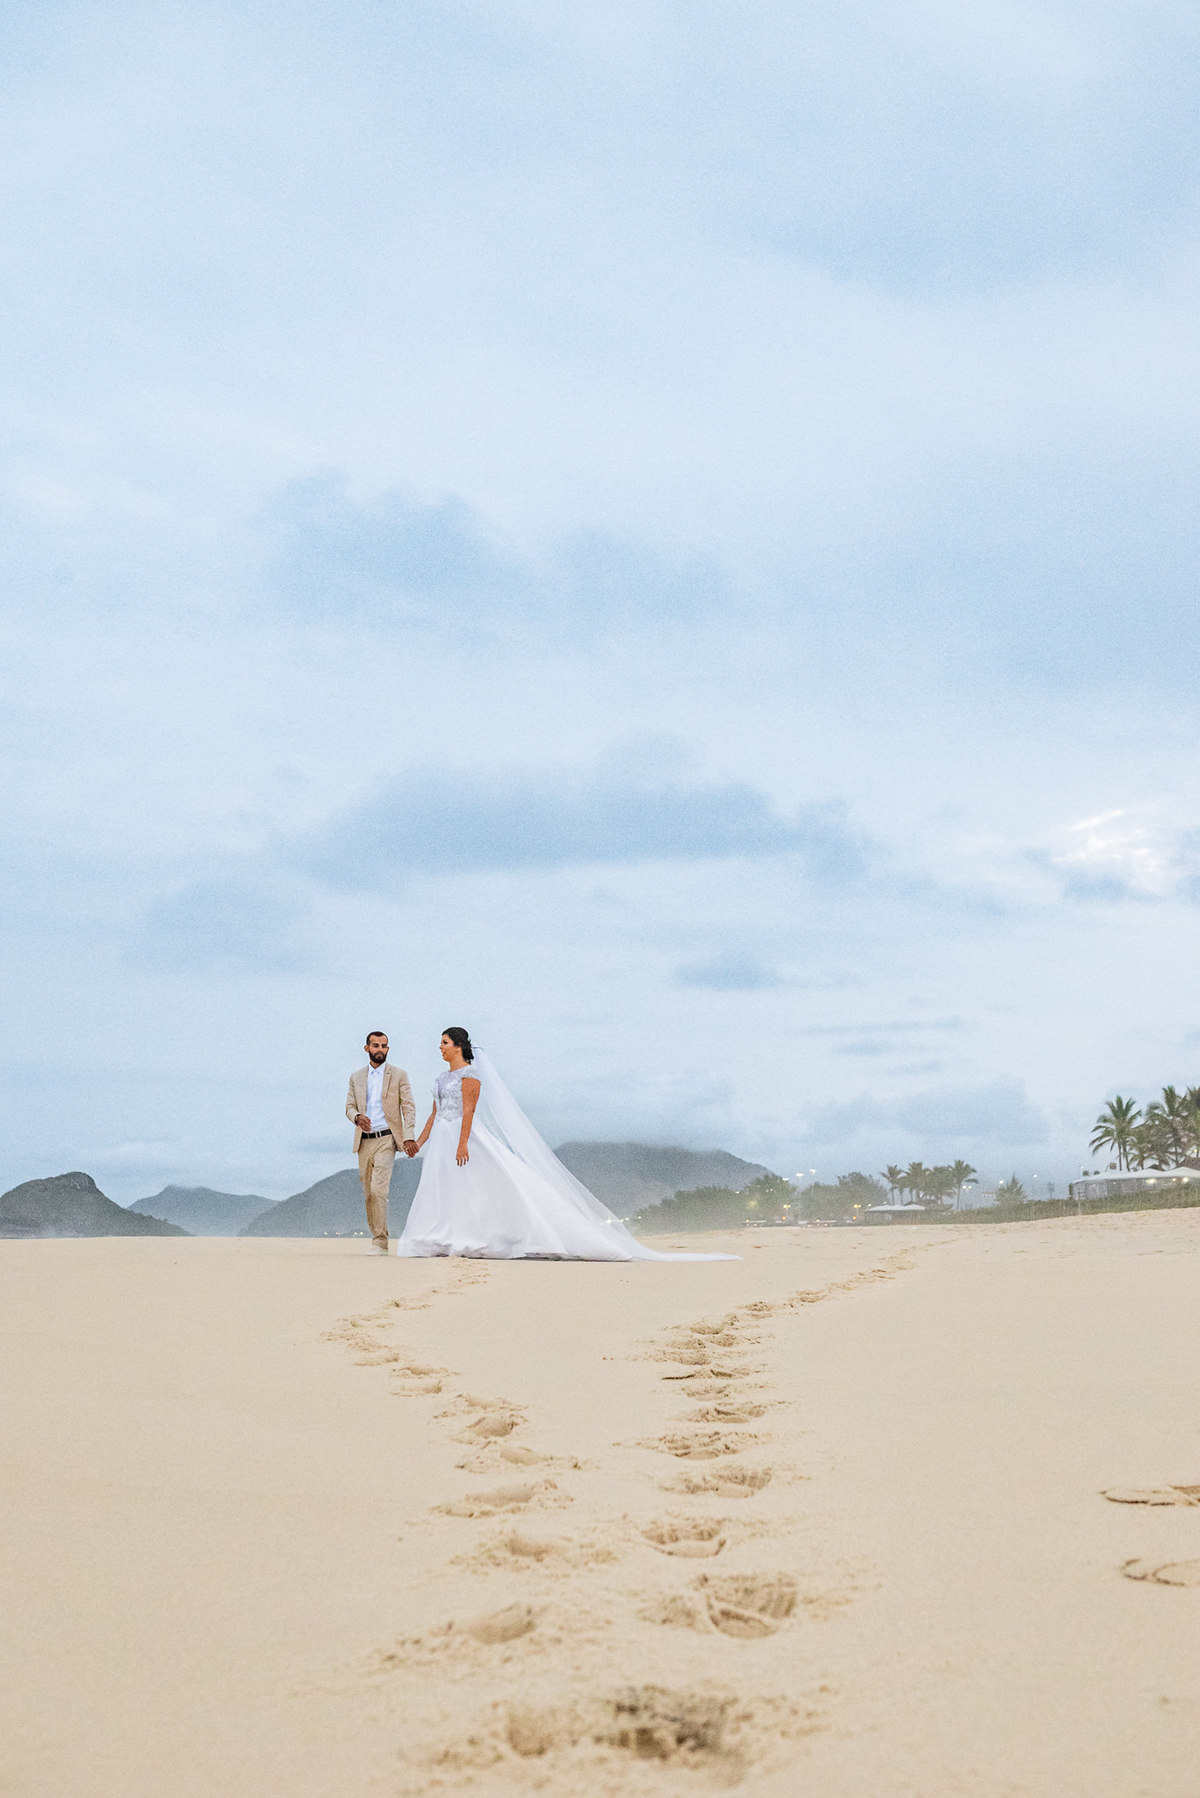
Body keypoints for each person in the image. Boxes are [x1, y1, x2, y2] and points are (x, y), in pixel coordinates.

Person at [395, 1028, 734, 1261]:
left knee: (482, 1185)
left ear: (457, 1045)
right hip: (441, 1138)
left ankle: (489, 1235)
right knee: (444, 1188)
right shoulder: (441, 1078)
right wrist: (419, 1143)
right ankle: (445, 1235)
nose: (439, 1047)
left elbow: (468, 1112)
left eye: (444, 1042)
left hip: (463, 1136)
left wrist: (463, 1143)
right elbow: (435, 1114)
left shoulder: (470, 1076)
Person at [345, 1031, 418, 1254]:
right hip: (364, 1141)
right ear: (367, 1048)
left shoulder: (399, 1075)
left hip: (387, 1138)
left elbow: (408, 1107)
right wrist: (357, 1117)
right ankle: (377, 1235)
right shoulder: (356, 1077)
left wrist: (408, 1136)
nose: (380, 1050)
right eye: (375, 1045)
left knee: (379, 1190)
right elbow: (349, 1106)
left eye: (384, 1046)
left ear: (388, 1048)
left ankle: (380, 1242)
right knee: (368, 1194)